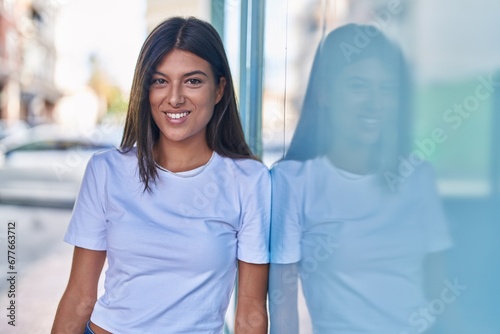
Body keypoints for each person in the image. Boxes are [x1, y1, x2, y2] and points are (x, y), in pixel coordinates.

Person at [52, 16, 270, 334]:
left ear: (220, 89)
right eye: (160, 81)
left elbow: (250, 312)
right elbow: (80, 297)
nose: (175, 97)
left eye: (193, 81)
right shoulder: (106, 171)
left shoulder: (249, 181)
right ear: (146, 89)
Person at [268, 24, 452, 334]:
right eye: (358, 86)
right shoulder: (294, 181)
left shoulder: (417, 176)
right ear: (325, 93)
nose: (374, 103)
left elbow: (441, 291)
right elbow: (282, 308)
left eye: (386, 89)